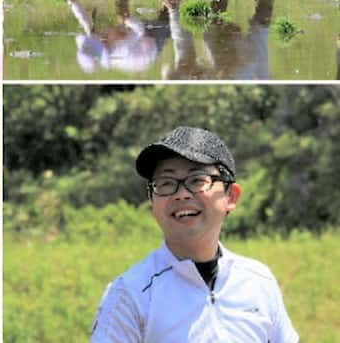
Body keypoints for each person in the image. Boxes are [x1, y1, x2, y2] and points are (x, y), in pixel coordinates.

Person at [90, 127, 299, 342]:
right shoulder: (129, 294)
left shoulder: (258, 282)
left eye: (197, 180)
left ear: (231, 196)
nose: (181, 194)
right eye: (166, 183)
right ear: (152, 200)